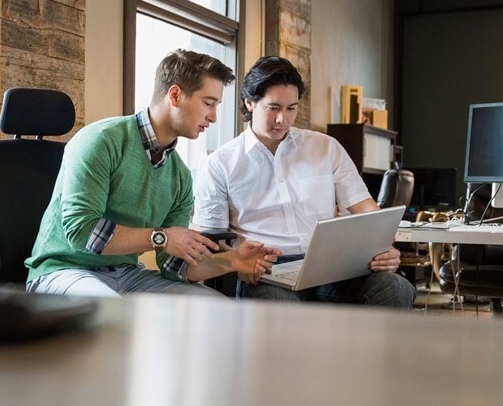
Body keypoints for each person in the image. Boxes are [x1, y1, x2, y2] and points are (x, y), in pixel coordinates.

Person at [26, 49, 278, 297]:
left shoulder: (180, 176)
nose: (212, 117)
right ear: (175, 95)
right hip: (63, 271)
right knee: (113, 314)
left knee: (218, 308)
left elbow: (172, 265)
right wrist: (162, 237)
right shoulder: (101, 141)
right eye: (208, 103)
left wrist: (232, 261)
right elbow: (81, 233)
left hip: (127, 274)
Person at [192, 55, 415, 307]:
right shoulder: (221, 163)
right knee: (281, 311)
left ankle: (363, 348)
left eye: (291, 108)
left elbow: (364, 208)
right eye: (273, 108)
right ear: (250, 103)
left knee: (395, 289)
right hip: (266, 270)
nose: (282, 120)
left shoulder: (325, 147)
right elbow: (211, 240)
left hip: (329, 265)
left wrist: (384, 247)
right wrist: (236, 260)